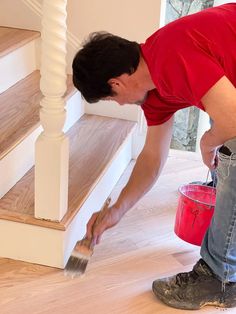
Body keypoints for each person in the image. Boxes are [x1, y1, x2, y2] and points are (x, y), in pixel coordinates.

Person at [72, 3, 236, 310]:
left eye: (112, 98)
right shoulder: (156, 90)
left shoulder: (168, 56)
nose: (119, 105)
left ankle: (220, 279)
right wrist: (116, 211)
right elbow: (152, 159)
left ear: (116, 83)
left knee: (231, 146)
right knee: (223, 128)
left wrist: (207, 144)